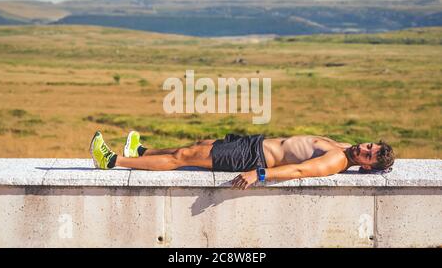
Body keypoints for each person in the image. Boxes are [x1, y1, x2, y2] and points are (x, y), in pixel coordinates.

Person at [90, 131, 395, 190]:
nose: (363, 149)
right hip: (256, 144)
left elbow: (299, 170)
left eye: (367, 155)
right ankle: (142, 153)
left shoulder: (335, 161)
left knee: (183, 158)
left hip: (253, 157)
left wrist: (257, 175)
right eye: (369, 145)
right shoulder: (344, 148)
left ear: (366, 165)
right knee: (201, 145)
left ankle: (113, 161)